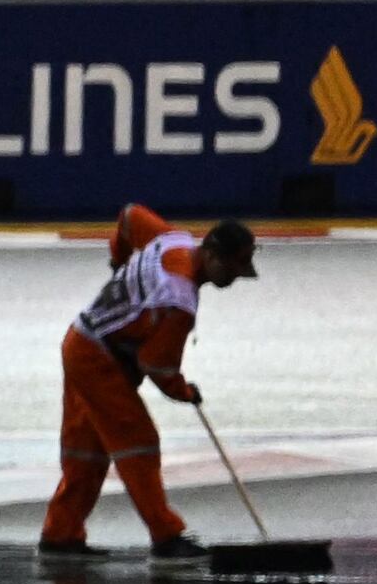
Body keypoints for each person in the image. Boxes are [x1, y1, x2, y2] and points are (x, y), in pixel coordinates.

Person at [42, 209, 256, 561]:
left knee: (88, 450)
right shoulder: (179, 301)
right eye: (233, 269)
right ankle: (166, 536)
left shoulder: (171, 239)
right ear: (213, 257)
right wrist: (184, 391)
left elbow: (129, 218)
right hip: (100, 359)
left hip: (81, 339)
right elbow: (156, 363)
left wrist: (119, 262)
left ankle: (60, 535)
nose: (235, 279)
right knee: (138, 443)